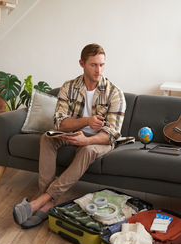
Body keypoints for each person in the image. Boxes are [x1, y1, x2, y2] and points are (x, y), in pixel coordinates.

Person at [13, 43, 126, 229]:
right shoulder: (69, 87)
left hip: (100, 140)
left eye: (102, 65)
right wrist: (87, 121)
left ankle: (41, 201)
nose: (99, 70)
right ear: (82, 63)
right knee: (47, 138)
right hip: (73, 133)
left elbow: (111, 134)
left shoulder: (115, 93)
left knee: (87, 149)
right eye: (93, 65)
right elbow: (60, 123)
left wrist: (87, 139)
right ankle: (47, 203)